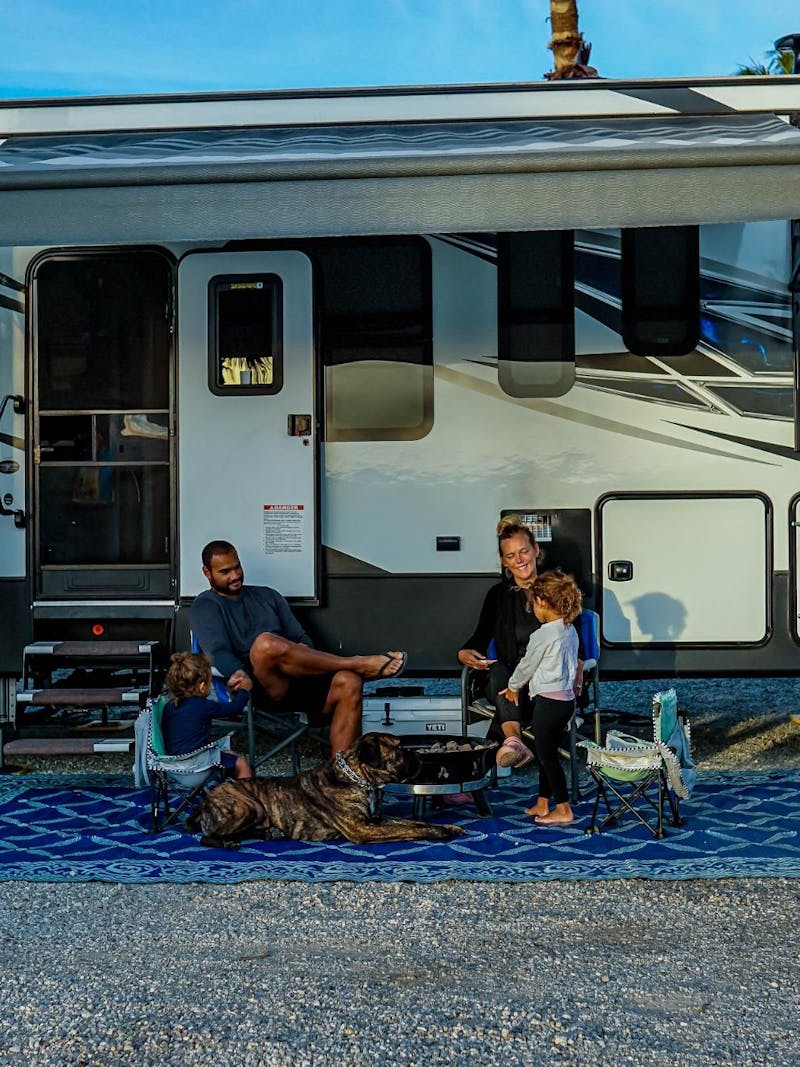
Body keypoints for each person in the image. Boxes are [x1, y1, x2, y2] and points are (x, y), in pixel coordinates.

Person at [189, 540, 408, 753]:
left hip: (302, 677)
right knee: (265, 643)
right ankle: (359, 663)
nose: (235, 575)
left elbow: (300, 636)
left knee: (350, 681)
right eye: (225, 571)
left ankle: (342, 779)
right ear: (207, 573)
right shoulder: (205, 605)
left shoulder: (267, 595)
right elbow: (217, 650)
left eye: (237, 567)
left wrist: (302, 650)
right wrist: (237, 673)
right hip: (262, 687)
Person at [457, 516, 583, 769]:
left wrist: (579, 666)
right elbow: (479, 637)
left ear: (536, 550)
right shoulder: (497, 596)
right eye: (511, 555)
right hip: (510, 677)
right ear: (504, 561)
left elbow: (575, 636)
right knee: (501, 674)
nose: (519, 560)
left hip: (548, 678)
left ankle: (501, 751)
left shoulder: (556, 589)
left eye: (524, 551)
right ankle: (514, 742)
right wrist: (464, 654)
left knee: (510, 686)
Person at [500, 571, 582, 826]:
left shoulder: (544, 634)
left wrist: (513, 686)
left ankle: (564, 808)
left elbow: (527, 664)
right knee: (548, 751)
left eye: (534, 602)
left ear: (543, 603)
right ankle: (543, 801)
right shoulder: (569, 630)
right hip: (565, 701)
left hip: (548, 703)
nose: (533, 608)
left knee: (547, 757)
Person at [162, 651, 253, 779]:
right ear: (202, 686)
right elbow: (234, 708)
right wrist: (244, 690)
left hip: (174, 768)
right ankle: (248, 798)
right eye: (210, 682)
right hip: (195, 768)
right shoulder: (203, 705)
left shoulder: (170, 706)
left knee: (227, 754)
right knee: (241, 764)